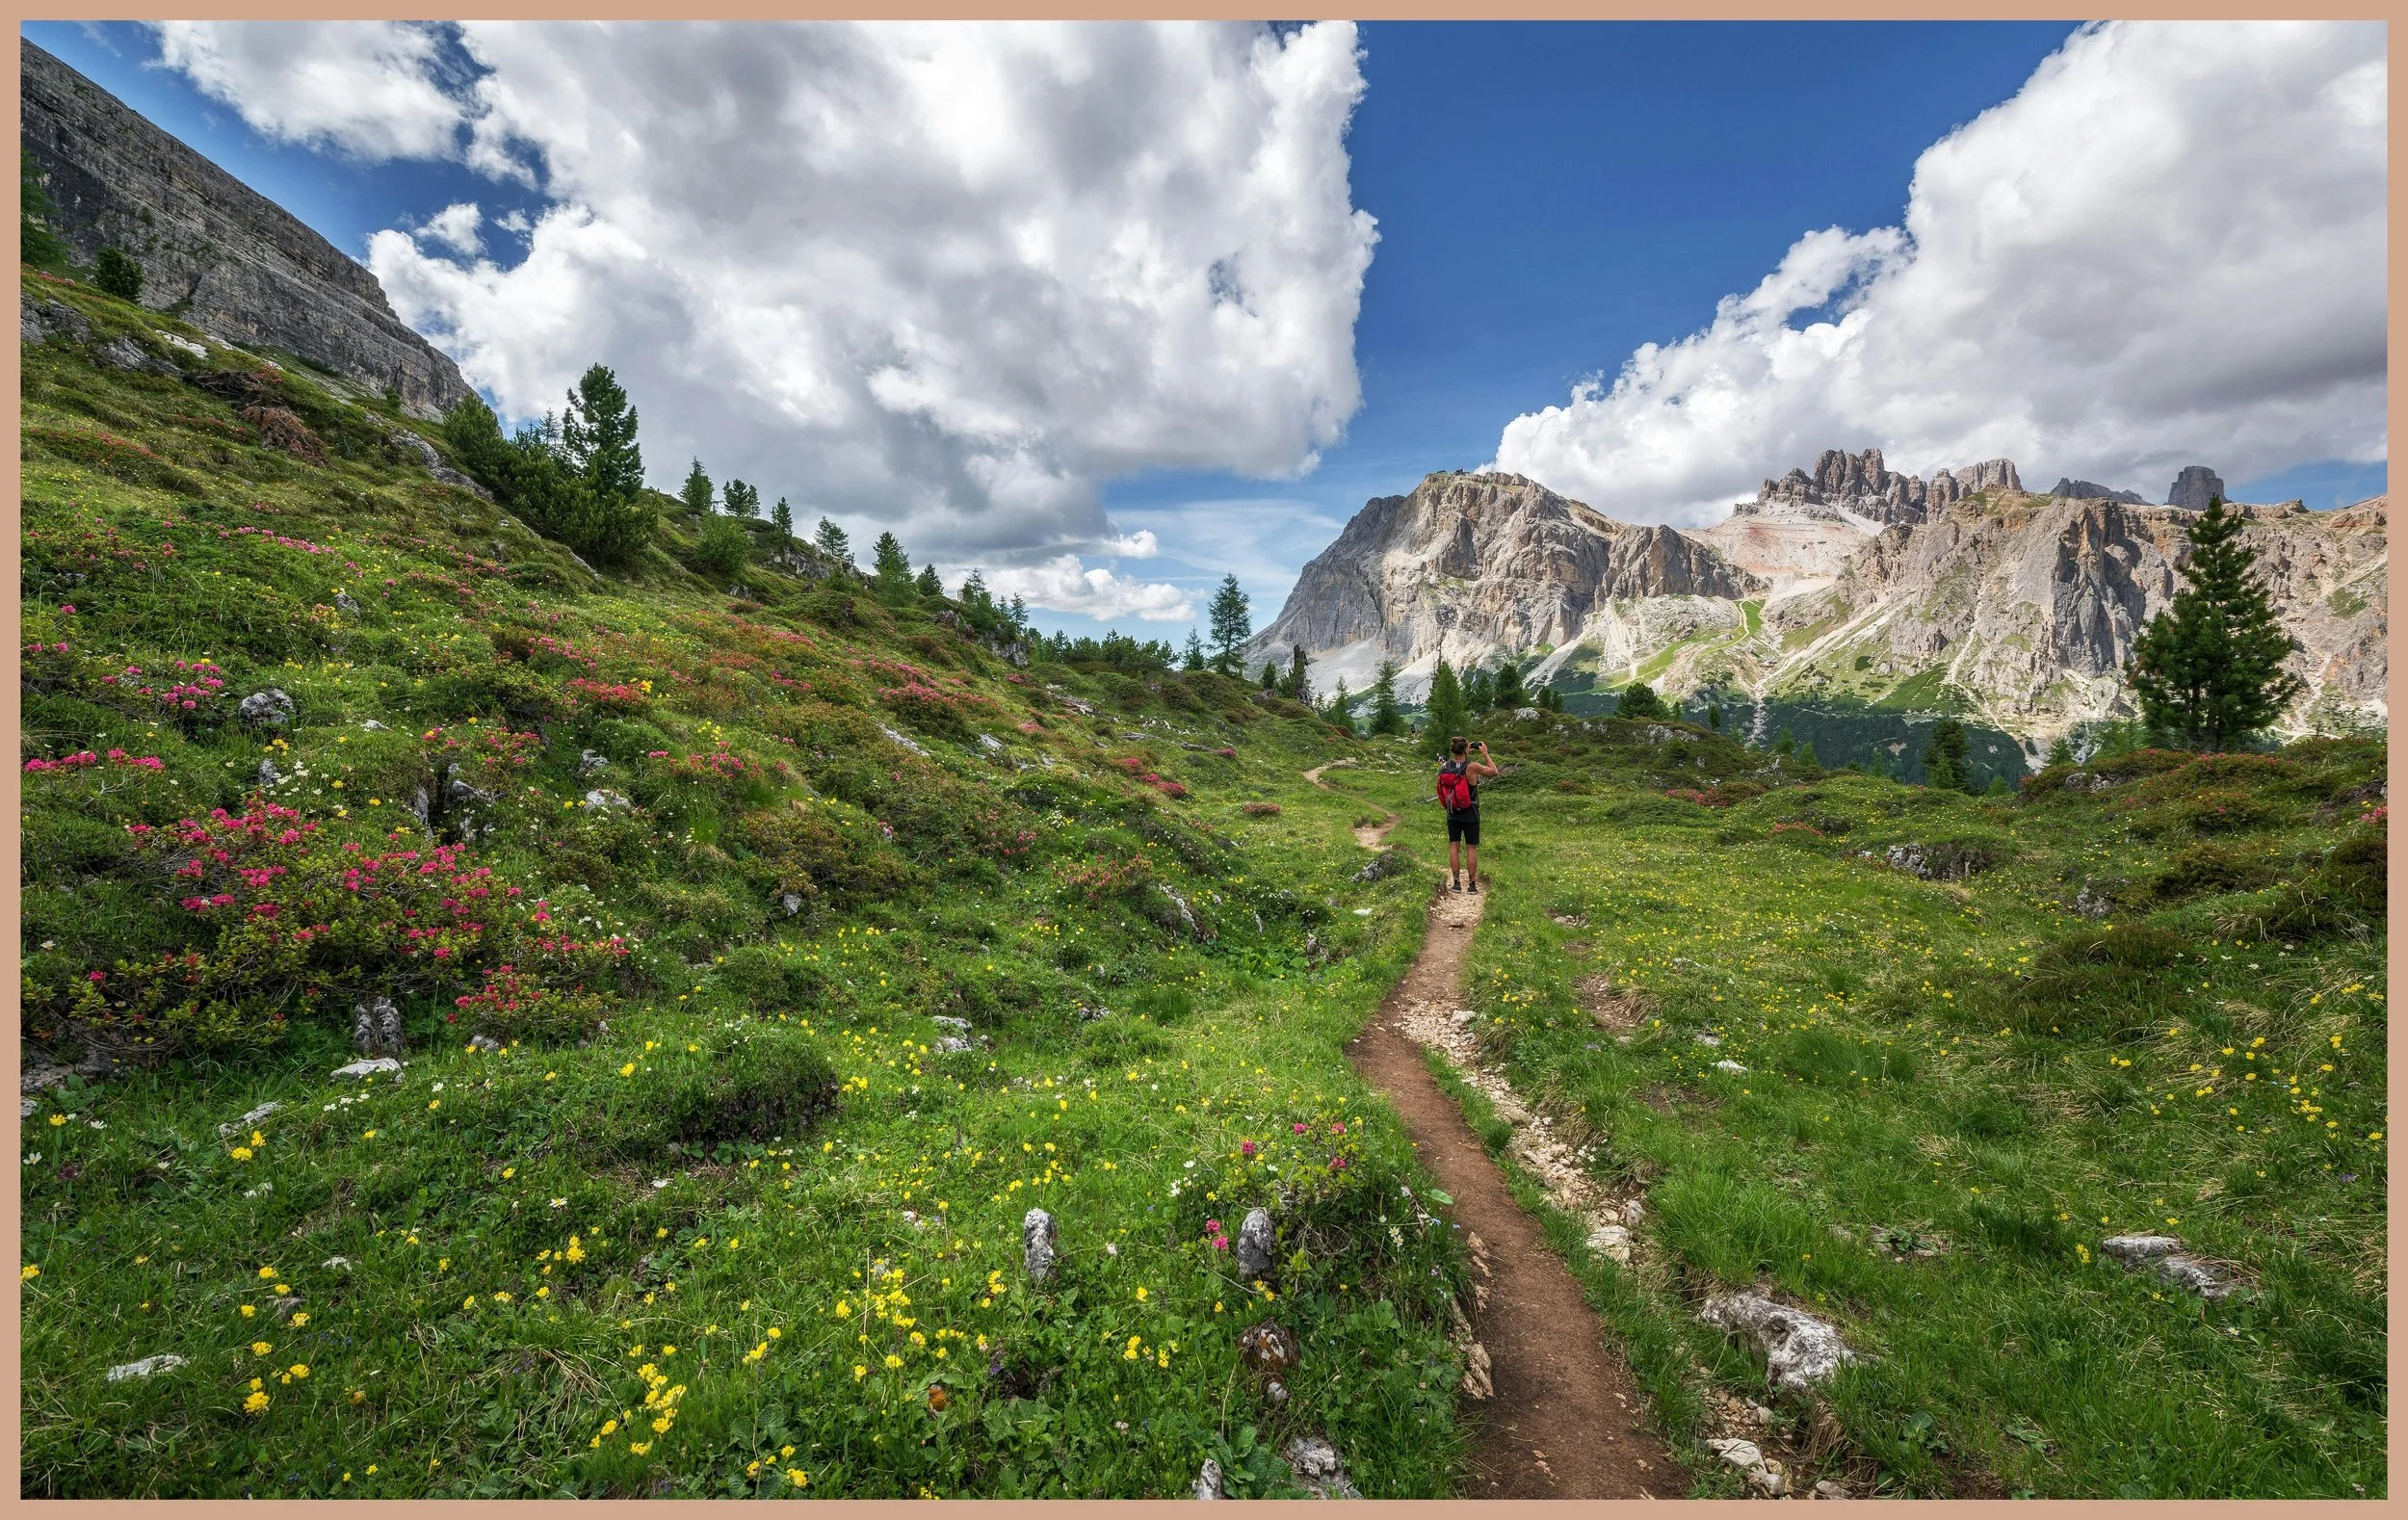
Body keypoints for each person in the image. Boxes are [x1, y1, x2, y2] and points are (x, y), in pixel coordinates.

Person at [1436, 735, 1498, 892]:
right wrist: (1485, 754)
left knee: (1453, 846)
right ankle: (1472, 886)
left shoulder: (1445, 767)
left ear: (1453, 750)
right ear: (1466, 750)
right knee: (1471, 848)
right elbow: (1494, 772)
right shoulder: (1472, 766)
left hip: (1452, 812)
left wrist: (1464, 751)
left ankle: (1456, 883)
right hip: (1470, 811)